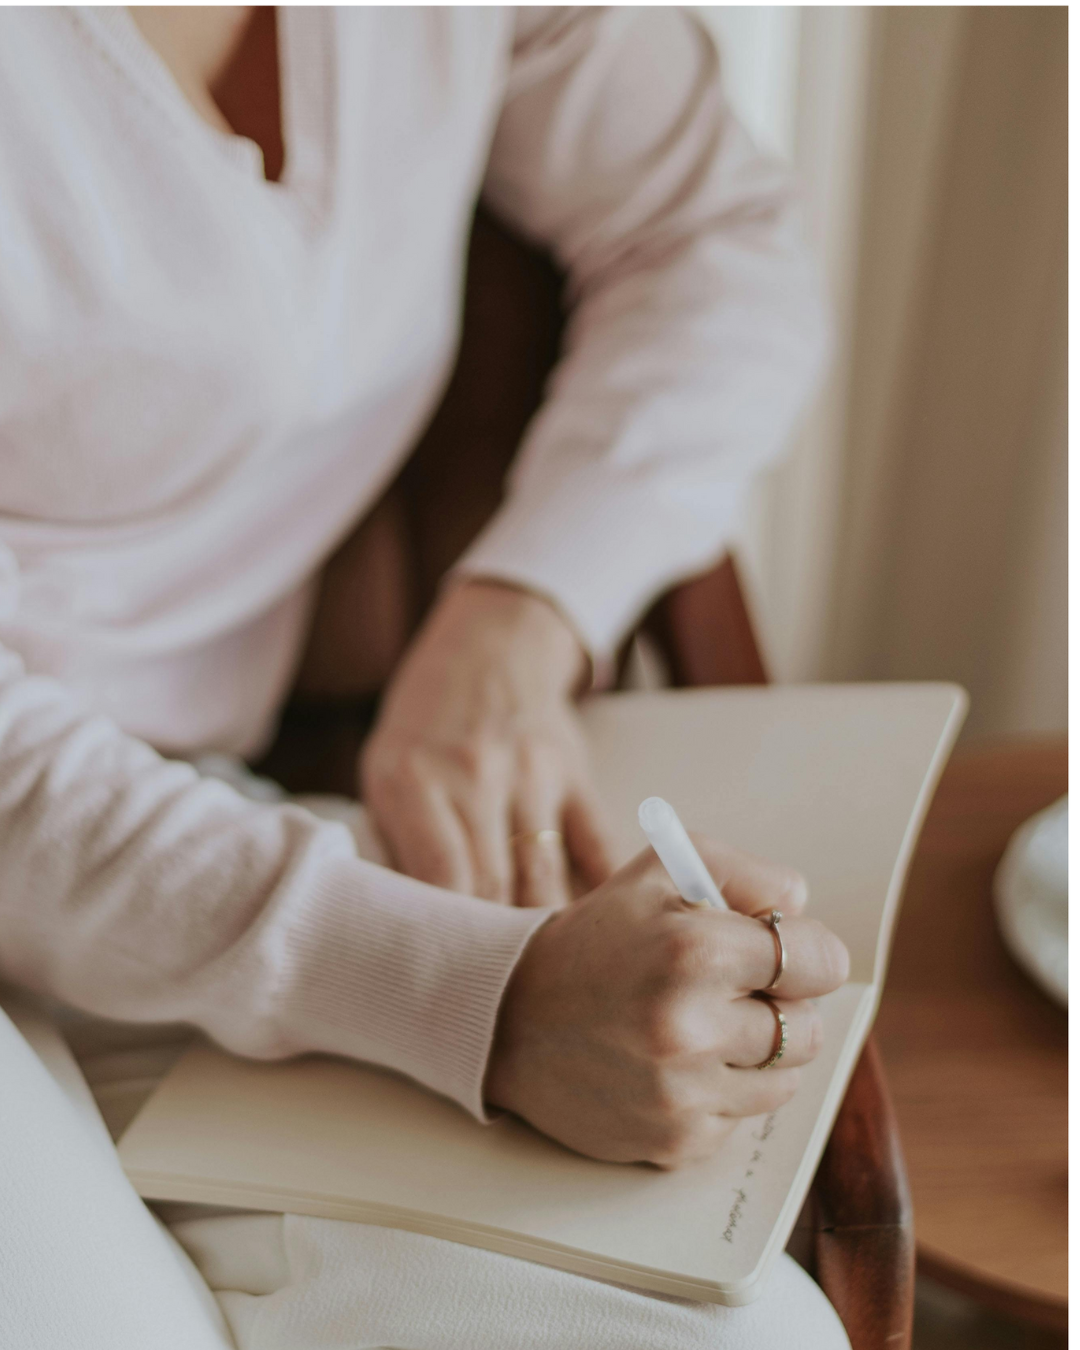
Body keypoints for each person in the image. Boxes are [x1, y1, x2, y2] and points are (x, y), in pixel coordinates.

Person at [0, 6, 851, 1347]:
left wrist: (520, 616)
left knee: (750, 1337)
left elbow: (710, 239)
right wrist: (483, 1003)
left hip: (204, 830)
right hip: (66, 855)